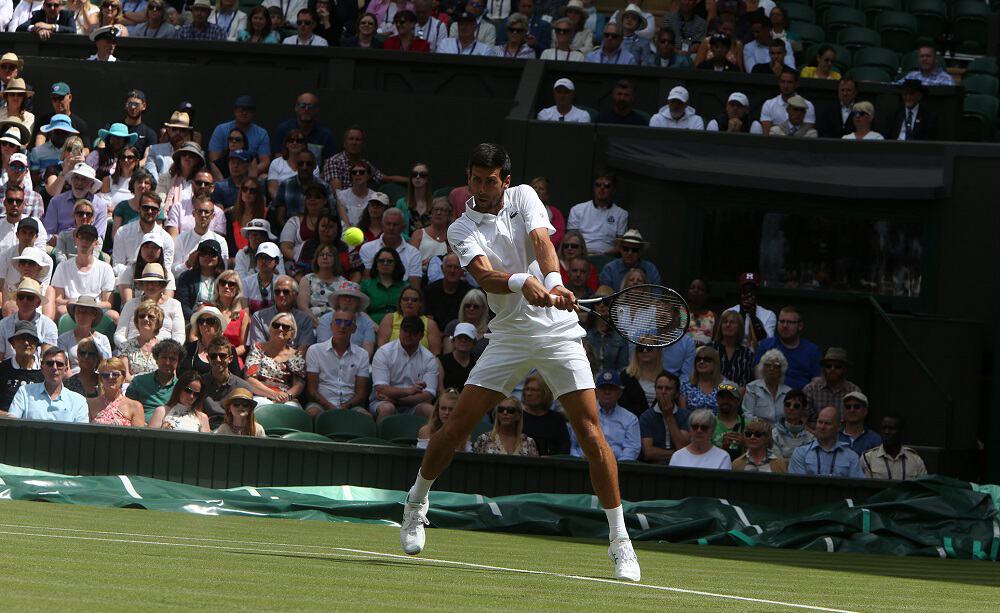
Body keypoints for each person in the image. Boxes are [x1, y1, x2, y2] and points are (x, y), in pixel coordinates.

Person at [400, 144, 641, 582]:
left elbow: (540, 241)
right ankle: (416, 503)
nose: (482, 187)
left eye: (490, 180)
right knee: (455, 428)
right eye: (475, 179)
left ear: (505, 180)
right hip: (508, 336)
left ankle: (620, 541)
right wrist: (522, 281)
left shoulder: (526, 195)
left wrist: (551, 280)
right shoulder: (460, 228)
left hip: (558, 334)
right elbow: (485, 274)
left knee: (590, 433)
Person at [304, 308, 371, 418]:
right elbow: (312, 390)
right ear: (331, 326)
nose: (342, 326)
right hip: (321, 403)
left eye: (348, 322)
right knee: (312, 413)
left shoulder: (362, 354)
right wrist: (330, 407)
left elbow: (361, 393)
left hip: (350, 405)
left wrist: (344, 407)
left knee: (366, 417)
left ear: (354, 328)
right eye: (338, 322)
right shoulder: (315, 350)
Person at [46, 224, 116, 323]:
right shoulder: (62, 267)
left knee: (114, 316)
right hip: (71, 308)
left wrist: (88, 305)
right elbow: (58, 300)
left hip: (96, 308)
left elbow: (108, 303)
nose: (84, 241)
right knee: (61, 311)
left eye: (89, 239)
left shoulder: (106, 268)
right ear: (76, 240)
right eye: (82, 237)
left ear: (96, 243)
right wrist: (75, 304)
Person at [569, 370, 640, 461]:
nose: (607, 392)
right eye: (603, 388)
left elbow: (632, 449)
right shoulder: (583, 414)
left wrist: (617, 466)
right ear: (596, 391)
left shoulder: (630, 419)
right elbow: (573, 445)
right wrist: (578, 461)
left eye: (612, 388)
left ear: (620, 392)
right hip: (583, 465)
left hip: (618, 467)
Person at [7, 347, 87, 422]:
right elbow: (12, 423)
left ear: (66, 370)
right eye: (50, 363)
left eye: (59, 364)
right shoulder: (24, 392)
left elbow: (82, 435)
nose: (54, 368)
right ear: (42, 368)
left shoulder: (78, 401)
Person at [245, 312, 306, 407]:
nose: (280, 329)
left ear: (292, 333)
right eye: (276, 325)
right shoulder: (258, 349)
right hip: (261, 394)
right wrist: (273, 394)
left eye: (285, 327)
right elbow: (250, 379)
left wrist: (286, 396)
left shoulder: (296, 355)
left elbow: (299, 385)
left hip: (286, 398)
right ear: (270, 329)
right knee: (263, 406)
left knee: (293, 411)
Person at [753, 306, 820, 390]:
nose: (784, 326)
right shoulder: (766, 345)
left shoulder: (812, 350)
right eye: (782, 321)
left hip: (801, 398)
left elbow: (817, 380)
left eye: (790, 322)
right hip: (771, 396)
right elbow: (759, 376)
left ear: (800, 326)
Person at [789, 405, 864, 478]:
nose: (822, 427)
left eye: (827, 423)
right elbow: (798, 487)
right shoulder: (800, 453)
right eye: (820, 422)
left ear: (838, 427)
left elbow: (857, 488)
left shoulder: (851, 457)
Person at [247, 274, 315, 349]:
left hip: (294, 359)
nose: (281, 295)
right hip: (265, 359)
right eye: (277, 292)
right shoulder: (259, 317)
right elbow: (258, 347)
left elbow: (303, 348)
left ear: (295, 295)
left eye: (286, 292)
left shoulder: (304, 319)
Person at [566, 174, 627, 256]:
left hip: (607, 257)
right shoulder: (577, 210)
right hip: (580, 255)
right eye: (598, 185)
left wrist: (603, 255)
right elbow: (571, 240)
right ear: (594, 188)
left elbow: (619, 246)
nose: (602, 188)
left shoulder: (622, 214)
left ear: (613, 190)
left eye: (607, 186)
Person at [639, 371, 690, 464]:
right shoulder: (646, 417)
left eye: (668, 388)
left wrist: (669, 416)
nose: (663, 392)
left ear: (676, 393)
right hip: (653, 468)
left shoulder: (686, 416)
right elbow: (648, 453)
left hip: (681, 466)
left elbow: (682, 447)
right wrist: (677, 453)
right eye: (659, 388)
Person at [125, 338, 182, 419]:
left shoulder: (181, 388)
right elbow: (128, 409)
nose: (167, 362)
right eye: (164, 357)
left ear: (178, 362)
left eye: (172, 359)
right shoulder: (139, 382)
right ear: (156, 359)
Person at [802, 347, 861, 423]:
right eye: (828, 366)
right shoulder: (811, 389)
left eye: (837, 366)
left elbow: (857, 421)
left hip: (845, 434)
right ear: (823, 368)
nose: (832, 369)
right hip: (815, 433)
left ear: (845, 369)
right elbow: (803, 420)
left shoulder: (854, 391)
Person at [57, 296, 111, 375]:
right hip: (72, 380)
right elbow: (65, 368)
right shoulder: (63, 339)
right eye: (78, 311)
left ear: (94, 315)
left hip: (97, 379)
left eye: (86, 312)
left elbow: (107, 366)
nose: (81, 315)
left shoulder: (103, 339)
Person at [861, 415, 927, 480]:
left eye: (891, 428)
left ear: (901, 432)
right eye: (884, 428)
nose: (886, 432)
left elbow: (922, 487)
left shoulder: (915, 459)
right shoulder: (868, 458)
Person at [175, 238, 225, 323]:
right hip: (191, 321)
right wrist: (197, 319)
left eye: (212, 254)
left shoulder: (224, 278)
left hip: (219, 321)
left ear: (218, 258)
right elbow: (183, 305)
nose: (207, 256)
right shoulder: (186, 277)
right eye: (204, 253)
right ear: (198, 256)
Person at [0, 321, 45, 415]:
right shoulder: (2, 369)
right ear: (13, 344)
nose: (26, 342)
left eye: (31, 339)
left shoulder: (45, 370)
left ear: (36, 345)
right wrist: (9, 416)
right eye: (21, 338)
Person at [519, 373, 570, 455]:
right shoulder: (517, 416)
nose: (528, 394)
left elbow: (564, 448)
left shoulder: (557, 419)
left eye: (534, 390)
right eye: (527, 389)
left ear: (545, 393)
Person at [182, 305, 237, 378]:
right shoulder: (190, 348)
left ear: (218, 325)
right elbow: (183, 374)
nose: (204, 324)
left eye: (210, 321)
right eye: (201, 321)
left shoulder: (229, 349)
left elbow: (236, 377)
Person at [474, 396, 539, 455]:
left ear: (518, 416)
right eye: (501, 410)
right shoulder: (484, 440)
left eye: (510, 410)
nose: (505, 413)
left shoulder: (529, 443)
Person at [423, 253, 472, 331]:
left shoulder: (469, 293)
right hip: (435, 334)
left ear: (462, 271)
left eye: (456, 267)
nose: (452, 271)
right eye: (449, 266)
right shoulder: (430, 290)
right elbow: (428, 319)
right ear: (442, 268)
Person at [585, 287, 628, 374]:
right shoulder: (585, 334)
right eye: (597, 302)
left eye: (606, 302)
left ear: (613, 306)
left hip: (612, 384)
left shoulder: (621, 335)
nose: (601, 305)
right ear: (593, 306)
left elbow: (622, 367)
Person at [760, 70, 815, 135]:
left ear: (796, 84)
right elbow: (767, 135)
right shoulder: (768, 104)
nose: (786, 86)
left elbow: (808, 132)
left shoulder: (808, 105)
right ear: (779, 83)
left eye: (790, 82)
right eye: (783, 82)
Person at [727, 272, 775, 345]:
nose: (749, 294)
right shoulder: (728, 312)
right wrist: (742, 314)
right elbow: (728, 340)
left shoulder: (769, 315)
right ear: (740, 292)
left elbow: (767, 343)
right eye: (745, 290)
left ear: (757, 292)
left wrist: (753, 317)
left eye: (752, 290)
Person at [742, 348, 790, 423]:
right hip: (758, 432)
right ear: (762, 368)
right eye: (768, 364)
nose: (772, 368)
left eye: (776, 365)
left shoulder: (788, 392)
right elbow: (747, 415)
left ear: (782, 369)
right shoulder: (752, 388)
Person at [619, 343, 666, 417]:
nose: (644, 351)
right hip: (631, 423)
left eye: (649, 348)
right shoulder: (626, 376)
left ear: (658, 351)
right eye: (640, 348)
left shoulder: (666, 377)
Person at [678, 345, 726, 411]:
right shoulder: (685, 384)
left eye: (707, 359)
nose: (701, 362)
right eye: (698, 359)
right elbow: (683, 413)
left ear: (715, 363)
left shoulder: (725, 384)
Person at [771, 389, 814, 459]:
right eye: (787, 404)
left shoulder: (810, 438)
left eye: (796, 406)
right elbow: (777, 463)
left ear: (803, 409)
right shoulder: (773, 434)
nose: (791, 408)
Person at [839, 390, 882, 457]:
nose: (852, 410)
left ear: (865, 411)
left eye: (856, 407)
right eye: (848, 407)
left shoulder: (875, 439)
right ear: (843, 411)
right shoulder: (834, 436)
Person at [438, 321, 476, 389]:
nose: (463, 340)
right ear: (453, 341)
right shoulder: (441, 361)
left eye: (467, 338)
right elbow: (440, 389)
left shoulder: (478, 363)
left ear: (474, 343)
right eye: (460, 337)